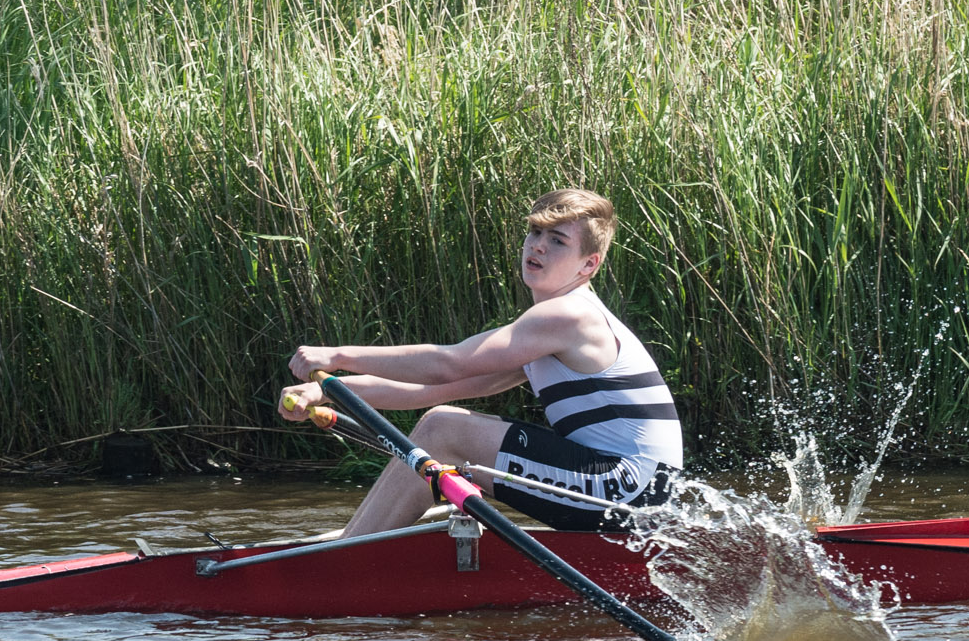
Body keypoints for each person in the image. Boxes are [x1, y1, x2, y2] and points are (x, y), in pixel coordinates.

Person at [281, 188, 684, 538]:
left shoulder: (568, 316)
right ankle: (359, 543)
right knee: (442, 423)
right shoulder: (549, 329)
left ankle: (344, 556)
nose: (537, 245)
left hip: (630, 491)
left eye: (558, 240)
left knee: (444, 429)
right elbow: (432, 390)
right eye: (535, 232)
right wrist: (328, 391)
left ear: (588, 264)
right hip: (638, 493)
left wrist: (336, 356)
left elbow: (448, 364)